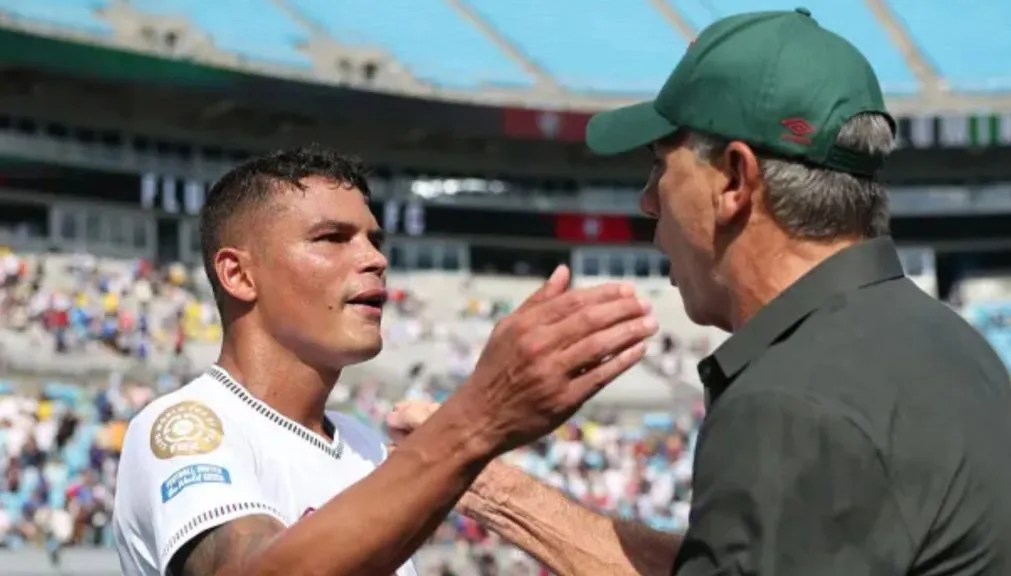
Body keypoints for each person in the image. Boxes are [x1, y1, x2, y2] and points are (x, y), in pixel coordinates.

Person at [388, 9, 1011, 576]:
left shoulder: (792, 403)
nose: (646, 201)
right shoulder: (947, 342)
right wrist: (483, 480)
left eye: (661, 166)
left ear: (734, 181)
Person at [111, 147, 659, 576]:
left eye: (374, 240)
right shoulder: (188, 426)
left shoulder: (365, 444)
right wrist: (475, 419)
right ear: (238, 275)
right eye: (331, 238)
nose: (375, 259)